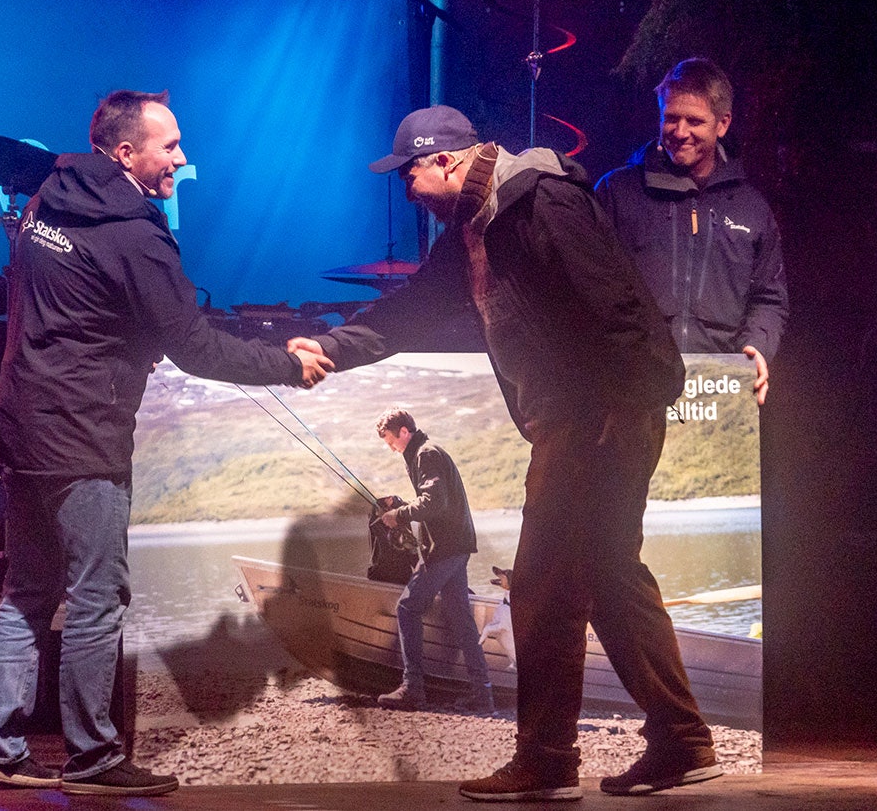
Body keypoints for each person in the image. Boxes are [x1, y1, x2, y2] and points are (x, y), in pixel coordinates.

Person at [289, 105, 722, 801]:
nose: (407, 192)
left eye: (411, 175)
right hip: (581, 419)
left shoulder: (537, 203)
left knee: (544, 586)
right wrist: (330, 349)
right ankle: (683, 740)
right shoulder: (471, 229)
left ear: (448, 161)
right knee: (609, 577)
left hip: (598, 419)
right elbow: (411, 311)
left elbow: (617, 307)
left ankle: (548, 761)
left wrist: (625, 407)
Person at [0, 90, 333, 796]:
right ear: (127, 152)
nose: (183, 159)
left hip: (22, 419)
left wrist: (127, 341)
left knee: (28, 592)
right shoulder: (135, 228)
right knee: (97, 598)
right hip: (82, 433)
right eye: (171, 146)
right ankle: (93, 758)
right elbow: (192, 346)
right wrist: (289, 365)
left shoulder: (49, 195)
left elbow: (77, 305)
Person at [595, 57, 788, 405]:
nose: (680, 132)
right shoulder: (616, 192)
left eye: (695, 121)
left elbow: (769, 299)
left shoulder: (752, 208)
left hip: (718, 391)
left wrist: (757, 348)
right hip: (632, 389)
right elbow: (588, 288)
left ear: (723, 124)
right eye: (671, 118)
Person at [372, 407, 494, 714]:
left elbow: (433, 502)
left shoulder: (425, 454)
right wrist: (401, 503)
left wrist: (397, 515)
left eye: (390, 440)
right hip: (456, 546)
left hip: (445, 549)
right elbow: (435, 500)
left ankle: (413, 689)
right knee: (460, 617)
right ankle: (483, 695)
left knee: (407, 607)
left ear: (403, 431)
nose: (390, 447)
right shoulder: (423, 453)